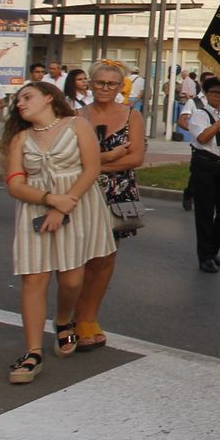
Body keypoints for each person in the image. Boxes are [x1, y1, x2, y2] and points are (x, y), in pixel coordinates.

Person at [0, 81, 117, 385]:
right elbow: (14, 184)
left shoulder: (77, 125)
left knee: (71, 279)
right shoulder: (19, 138)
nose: (20, 104)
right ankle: (32, 352)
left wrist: (64, 205)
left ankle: (64, 319)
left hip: (77, 205)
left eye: (27, 97)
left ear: (48, 98)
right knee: (34, 279)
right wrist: (50, 200)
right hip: (35, 208)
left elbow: (91, 169)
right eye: (18, 100)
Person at [73, 61, 147, 351]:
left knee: (105, 259)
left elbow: (135, 158)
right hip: (82, 192)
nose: (105, 88)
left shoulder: (132, 116)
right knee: (77, 259)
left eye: (111, 84)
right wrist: (110, 157)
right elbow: (69, 158)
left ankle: (89, 318)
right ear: (89, 84)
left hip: (118, 193)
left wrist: (94, 164)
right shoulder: (76, 115)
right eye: (99, 83)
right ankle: (70, 317)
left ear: (120, 87)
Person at [181, 77, 220, 273]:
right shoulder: (200, 113)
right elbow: (202, 137)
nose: (218, 96)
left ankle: (213, 249)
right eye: (214, 92)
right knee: (205, 212)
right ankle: (205, 257)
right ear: (207, 94)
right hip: (205, 163)